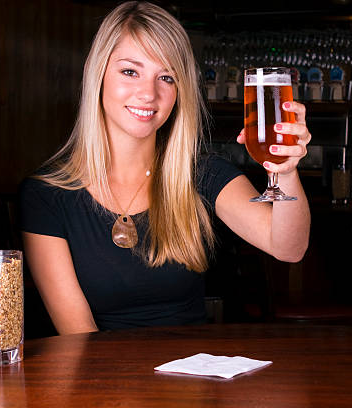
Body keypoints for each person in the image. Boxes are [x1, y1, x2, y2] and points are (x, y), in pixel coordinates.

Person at [19, 1, 311, 335]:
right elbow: (79, 335)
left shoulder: (201, 174)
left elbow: (289, 248)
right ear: (98, 74)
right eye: (130, 71)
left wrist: (286, 170)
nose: (149, 93)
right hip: (101, 378)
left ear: (179, 91)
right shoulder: (47, 195)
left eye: (166, 77)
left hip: (192, 378)